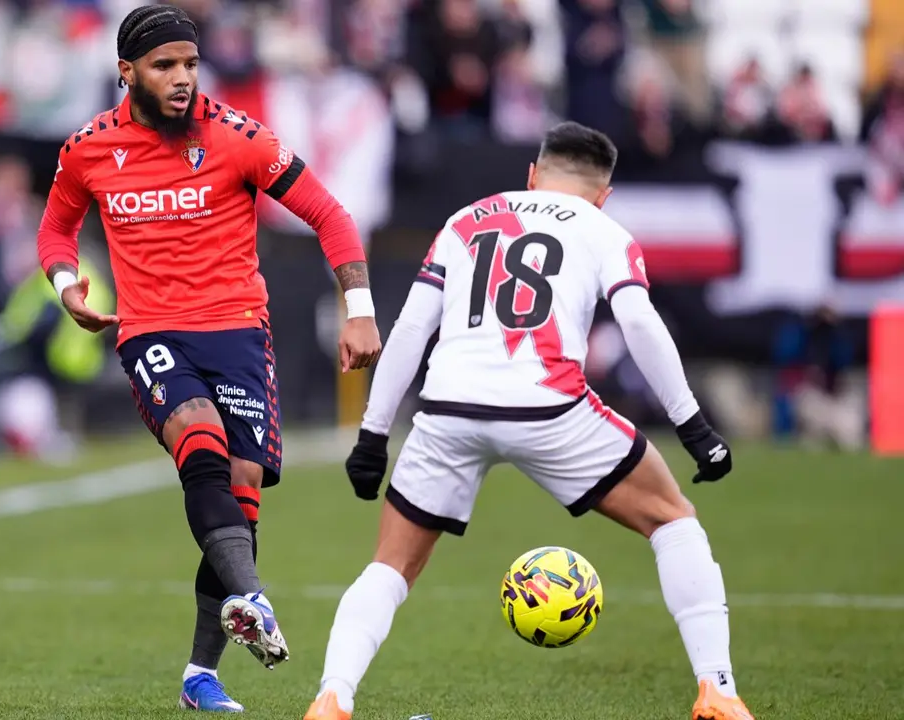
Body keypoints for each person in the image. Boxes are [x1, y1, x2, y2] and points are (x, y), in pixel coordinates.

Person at [303, 122, 753, 720]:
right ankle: (717, 692)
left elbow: (411, 329)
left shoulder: (465, 220)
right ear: (603, 193)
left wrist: (372, 434)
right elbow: (640, 325)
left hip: (447, 410)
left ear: (532, 176)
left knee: (390, 566)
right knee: (675, 521)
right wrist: (692, 425)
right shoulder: (604, 229)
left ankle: (332, 697)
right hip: (549, 407)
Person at [36, 5, 382, 713]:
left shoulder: (239, 137)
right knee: (198, 437)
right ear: (126, 72)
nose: (182, 79)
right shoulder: (88, 149)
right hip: (151, 331)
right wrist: (67, 285)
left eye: (190, 64)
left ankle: (200, 675)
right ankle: (252, 600)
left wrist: (359, 311)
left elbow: (329, 214)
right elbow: (56, 228)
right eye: (165, 66)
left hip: (238, 334)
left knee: (241, 495)